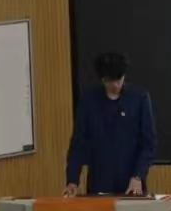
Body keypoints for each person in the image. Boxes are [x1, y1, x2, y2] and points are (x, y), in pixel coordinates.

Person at [63, 52, 156, 197]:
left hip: (132, 184)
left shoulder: (139, 98)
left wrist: (138, 175)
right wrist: (72, 181)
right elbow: (78, 143)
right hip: (99, 183)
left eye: (120, 79)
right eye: (111, 81)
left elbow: (148, 144)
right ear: (103, 79)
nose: (116, 85)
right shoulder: (88, 101)